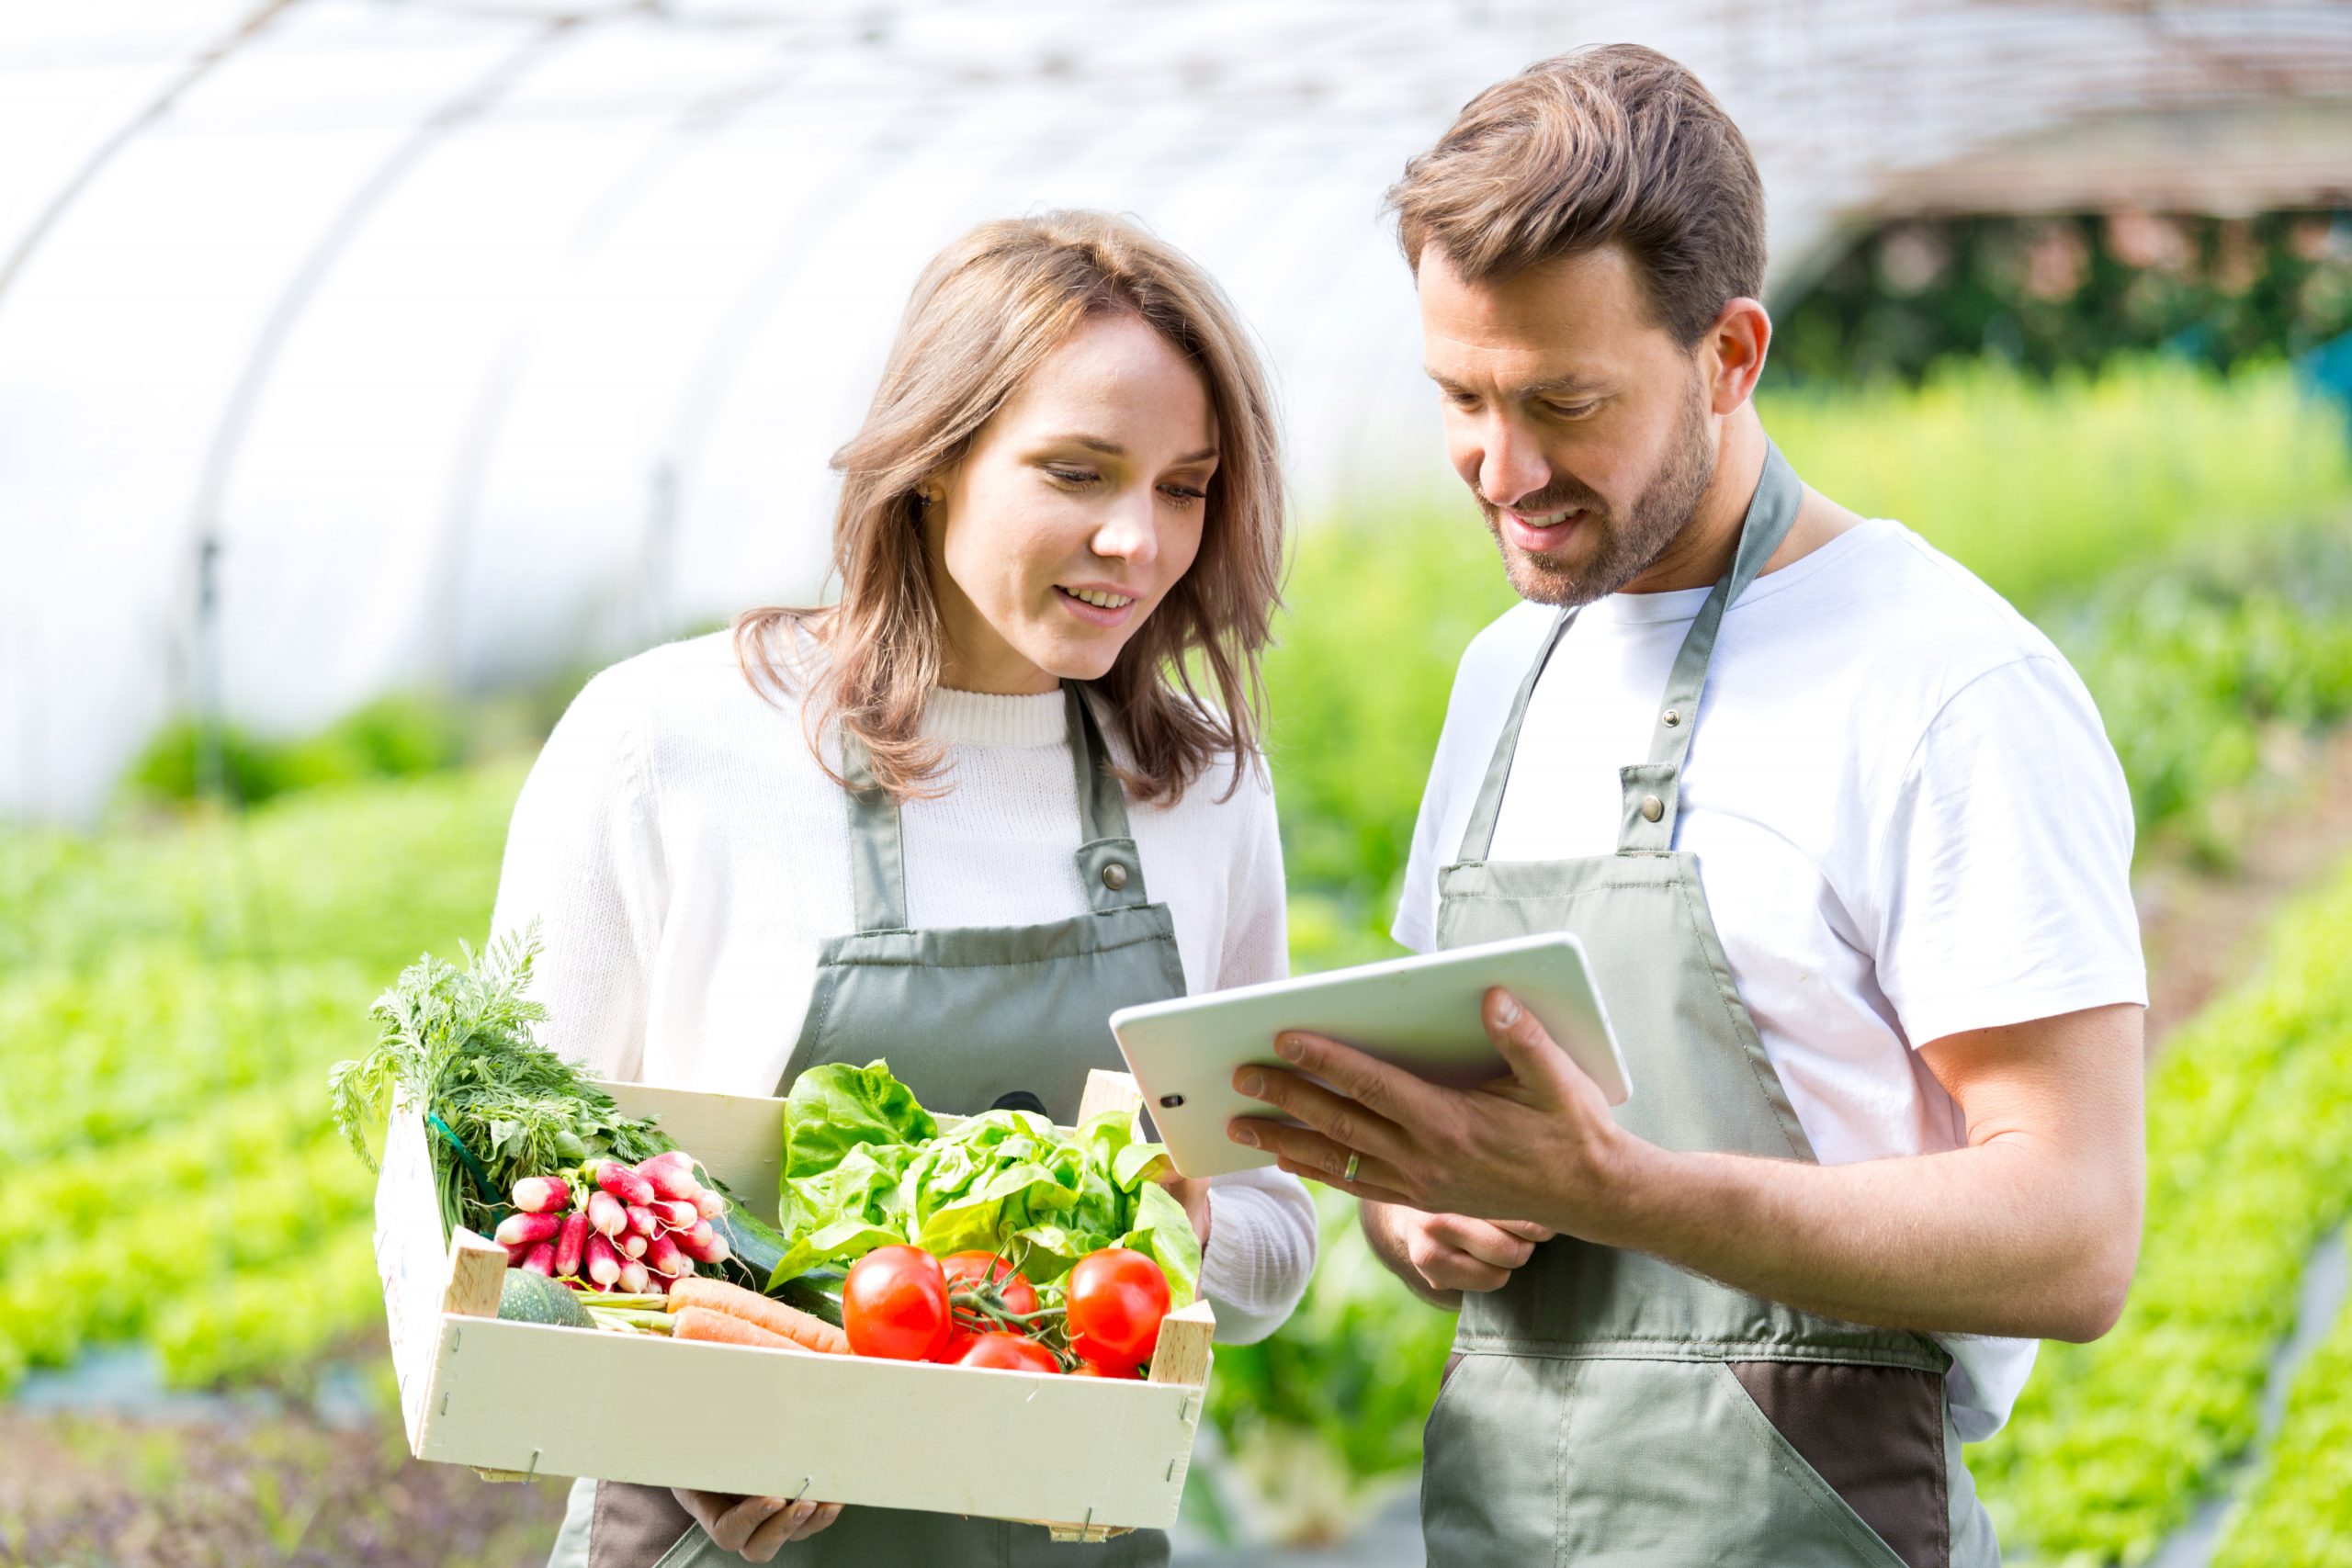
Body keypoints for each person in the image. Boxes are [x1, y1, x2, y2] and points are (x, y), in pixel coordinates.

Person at [1228, 44, 2146, 1567]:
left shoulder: (1944, 683)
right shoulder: (1507, 675)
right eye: (1459, 395)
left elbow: (2073, 1232)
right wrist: (1423, 1222)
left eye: (1563, 402)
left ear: (1731, 355)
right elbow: (1440, 1151)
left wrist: (1629, 1193)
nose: (1500, 468)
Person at [494, 210, 1317, 1568]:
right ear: (934, 461)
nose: (1138, 539)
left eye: (1185, 487)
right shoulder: (670, 744)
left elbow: (1279, 1236)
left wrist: (1168, 1227)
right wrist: (688, 1407)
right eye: (1078, 472)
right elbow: (513, 1205)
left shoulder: (1205, 793)